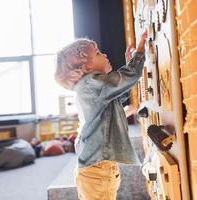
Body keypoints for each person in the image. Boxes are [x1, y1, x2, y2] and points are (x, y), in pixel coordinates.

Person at [54, 31, 147, 200]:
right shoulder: (90, 85)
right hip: (97, 171)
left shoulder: (90, 88)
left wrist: (130, 63)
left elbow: (117, 97)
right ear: (86, 67)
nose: (104, 54)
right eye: (97, 53)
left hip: (95, 170)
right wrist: (140, 53)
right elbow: (126, 79)